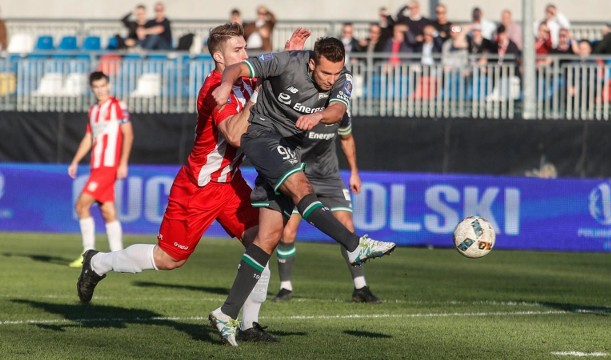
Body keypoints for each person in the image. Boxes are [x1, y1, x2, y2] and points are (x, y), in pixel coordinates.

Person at [75, 24, 311, 343]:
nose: (245, 54)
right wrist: (259, 96)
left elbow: (271, 77)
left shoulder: (246, 77)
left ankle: (249, 325)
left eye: (245, 48)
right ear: (218, 56)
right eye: (238, 50)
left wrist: (287, 53)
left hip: (230, 182)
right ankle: (98, 261)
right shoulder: (215, 87)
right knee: (169, 259)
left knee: (263, 242)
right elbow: (234, 135)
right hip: (198, 186)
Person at [208, 37, 397, 346]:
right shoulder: (286, 62)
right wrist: (226, 85)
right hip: (261, 135)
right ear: (312, 64)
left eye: (336, 74)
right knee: (301, 187)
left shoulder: (341, 78)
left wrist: (319, 115)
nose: (332, 80)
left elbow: (337, 111)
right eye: (325, 74)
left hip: (288, 149)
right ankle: (354, 244)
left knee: (267, 238)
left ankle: (226, 313)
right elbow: (238, 68)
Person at [273, 109, 380, 303]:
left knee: (348, 228)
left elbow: (346, 139)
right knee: (287, 233)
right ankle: (285, 288)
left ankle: (360, 287)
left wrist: (354, 172)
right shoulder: (300, 109)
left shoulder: (340, 113)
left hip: (329, 178)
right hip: (299, 176)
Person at [67, 71, 134, 268]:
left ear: (109, 85)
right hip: (97, 165)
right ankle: (119, 257)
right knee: (107, 211)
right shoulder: (93, 111)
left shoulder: (118, 106)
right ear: (92, 89)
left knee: (81, 205)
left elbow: (128, 135)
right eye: (96, 87)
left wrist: (123, 162)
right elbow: (89, 138)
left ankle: (87, 254)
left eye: (103, 85)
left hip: (109, 165)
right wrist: (75, 161)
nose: (100, 90)